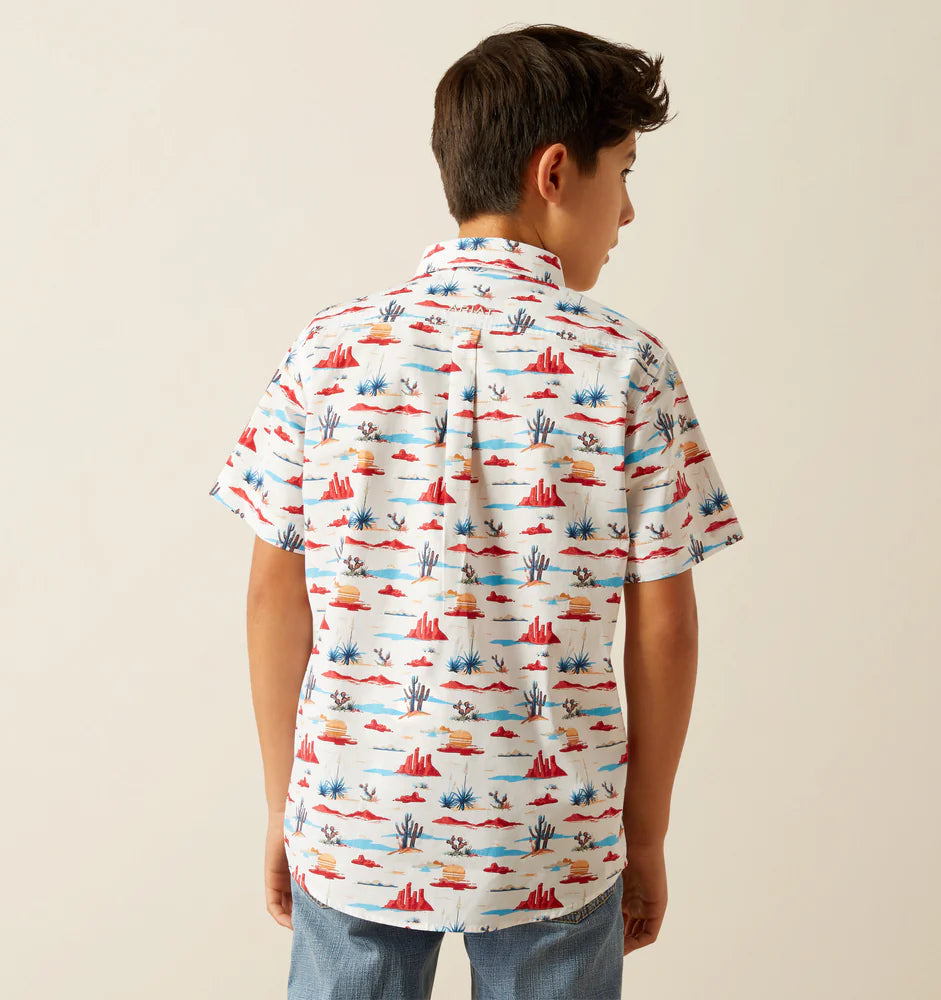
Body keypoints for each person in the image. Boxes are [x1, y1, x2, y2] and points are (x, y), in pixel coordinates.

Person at [208, 23, 745, 1000]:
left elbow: (270, 598)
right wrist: (647, 831)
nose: (626, 211)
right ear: (554, 173)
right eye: (621, 173)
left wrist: (290, 805)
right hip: (555, 838)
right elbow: (664, 623)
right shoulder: (628, 366)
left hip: (357, 819)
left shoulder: (327, 352)